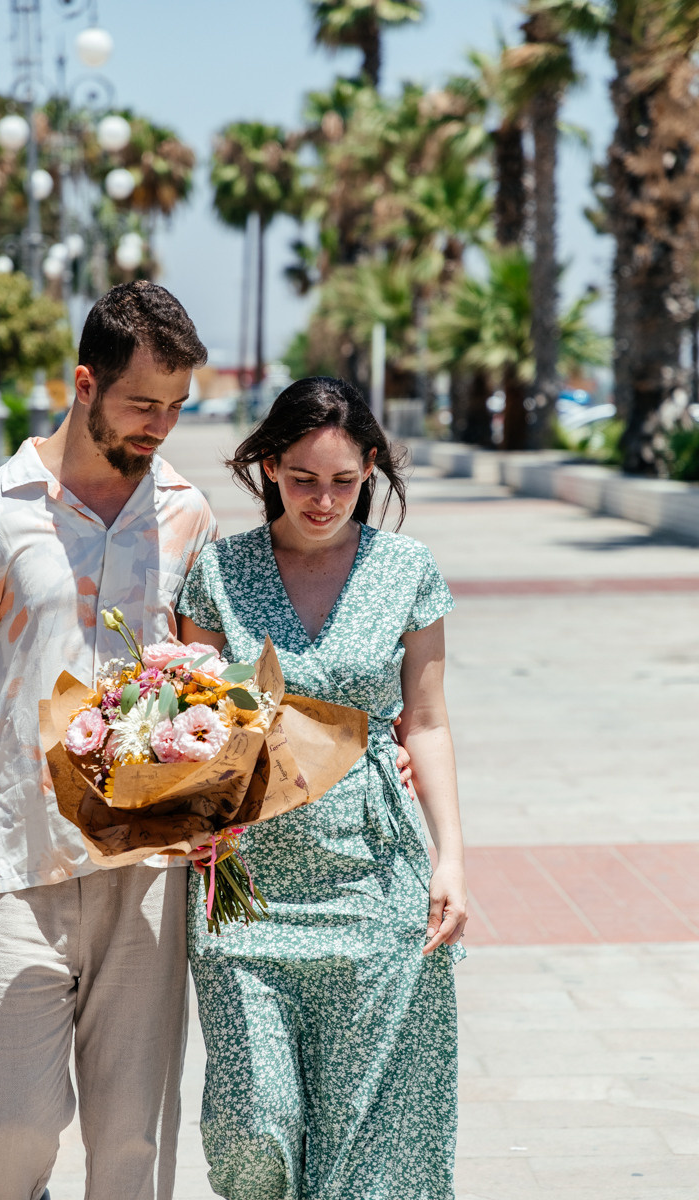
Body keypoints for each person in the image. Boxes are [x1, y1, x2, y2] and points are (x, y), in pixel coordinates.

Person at [0, 281, 215, 1200]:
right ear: (85, 384)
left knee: (130, 1147)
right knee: (13, 1132)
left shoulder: (188, 515)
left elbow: (212, 686)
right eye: (142, 404)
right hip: (9, 864)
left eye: (175, 407)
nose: (160, 427)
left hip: (144, 871)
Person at [178, 376, 469, 1200]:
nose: (324, 500)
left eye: (344, 480)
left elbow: (427, 722)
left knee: (367, 1135)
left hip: (376, 878)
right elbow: (188, 724)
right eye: (303, 478)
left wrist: (451, 858)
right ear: (269, 466)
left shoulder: (406, 569)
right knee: (251, 1127)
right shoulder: (217, 574)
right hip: (244, 888)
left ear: (371, 468)